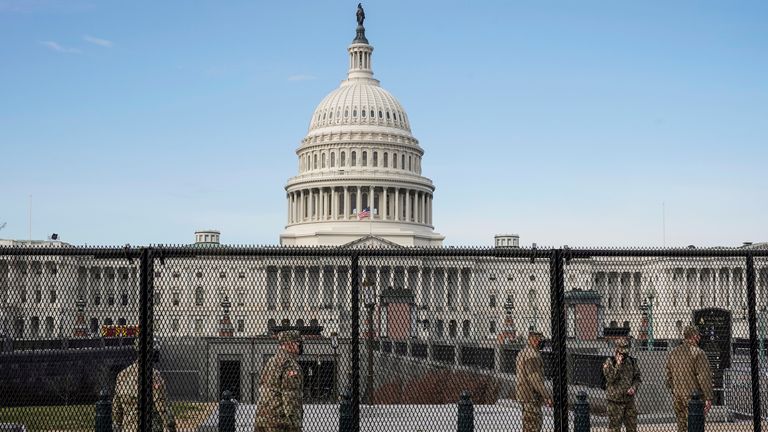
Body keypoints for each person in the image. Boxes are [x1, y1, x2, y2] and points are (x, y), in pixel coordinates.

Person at [113, 337, 176, 432]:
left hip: (128, 428)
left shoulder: (122, 375)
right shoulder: (154, 375)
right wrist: (171, 426)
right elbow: (162, 406)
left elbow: (117, 408)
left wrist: (118, 425)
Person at [666, 325, 714, 432]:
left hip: (678, 396)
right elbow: (704, 376)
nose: (699, 337)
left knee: (681, 427)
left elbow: (669, 377)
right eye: (698, 335)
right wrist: (709, 397)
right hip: (694, 398)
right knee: (695, 426)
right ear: (694, 336)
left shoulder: (674, 352)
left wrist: (675, 390)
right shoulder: (698, 353)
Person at [255, 330, 305, 432]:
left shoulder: (270, 361)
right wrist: (295, 426)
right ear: (289, 344)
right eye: (297, 343)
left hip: (262, 418)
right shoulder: (290, 365)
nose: (299, 346)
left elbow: (262, 387)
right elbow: (290, 397)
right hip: (279, 423)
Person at [515, 330, 553, 432]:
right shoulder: (533, 355)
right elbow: (535, 379)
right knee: (534, 424)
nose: (543, 343)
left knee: (528, 424)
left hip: (523, 393)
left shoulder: (523, 352)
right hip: (531, 395)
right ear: (535, 341)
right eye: (541, 341)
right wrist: (547, 396)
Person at [603, 338, 641, 432]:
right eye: (622, 353)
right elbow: (611, 379)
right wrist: (618, 365)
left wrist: (633, 388)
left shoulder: (631, 361)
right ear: (616, 350)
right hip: (615, 401)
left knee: (632, 428)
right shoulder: (609, 362)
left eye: (625, 353)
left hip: (628, 400)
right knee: (614, 428)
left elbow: (637, 378)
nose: (624, 355)